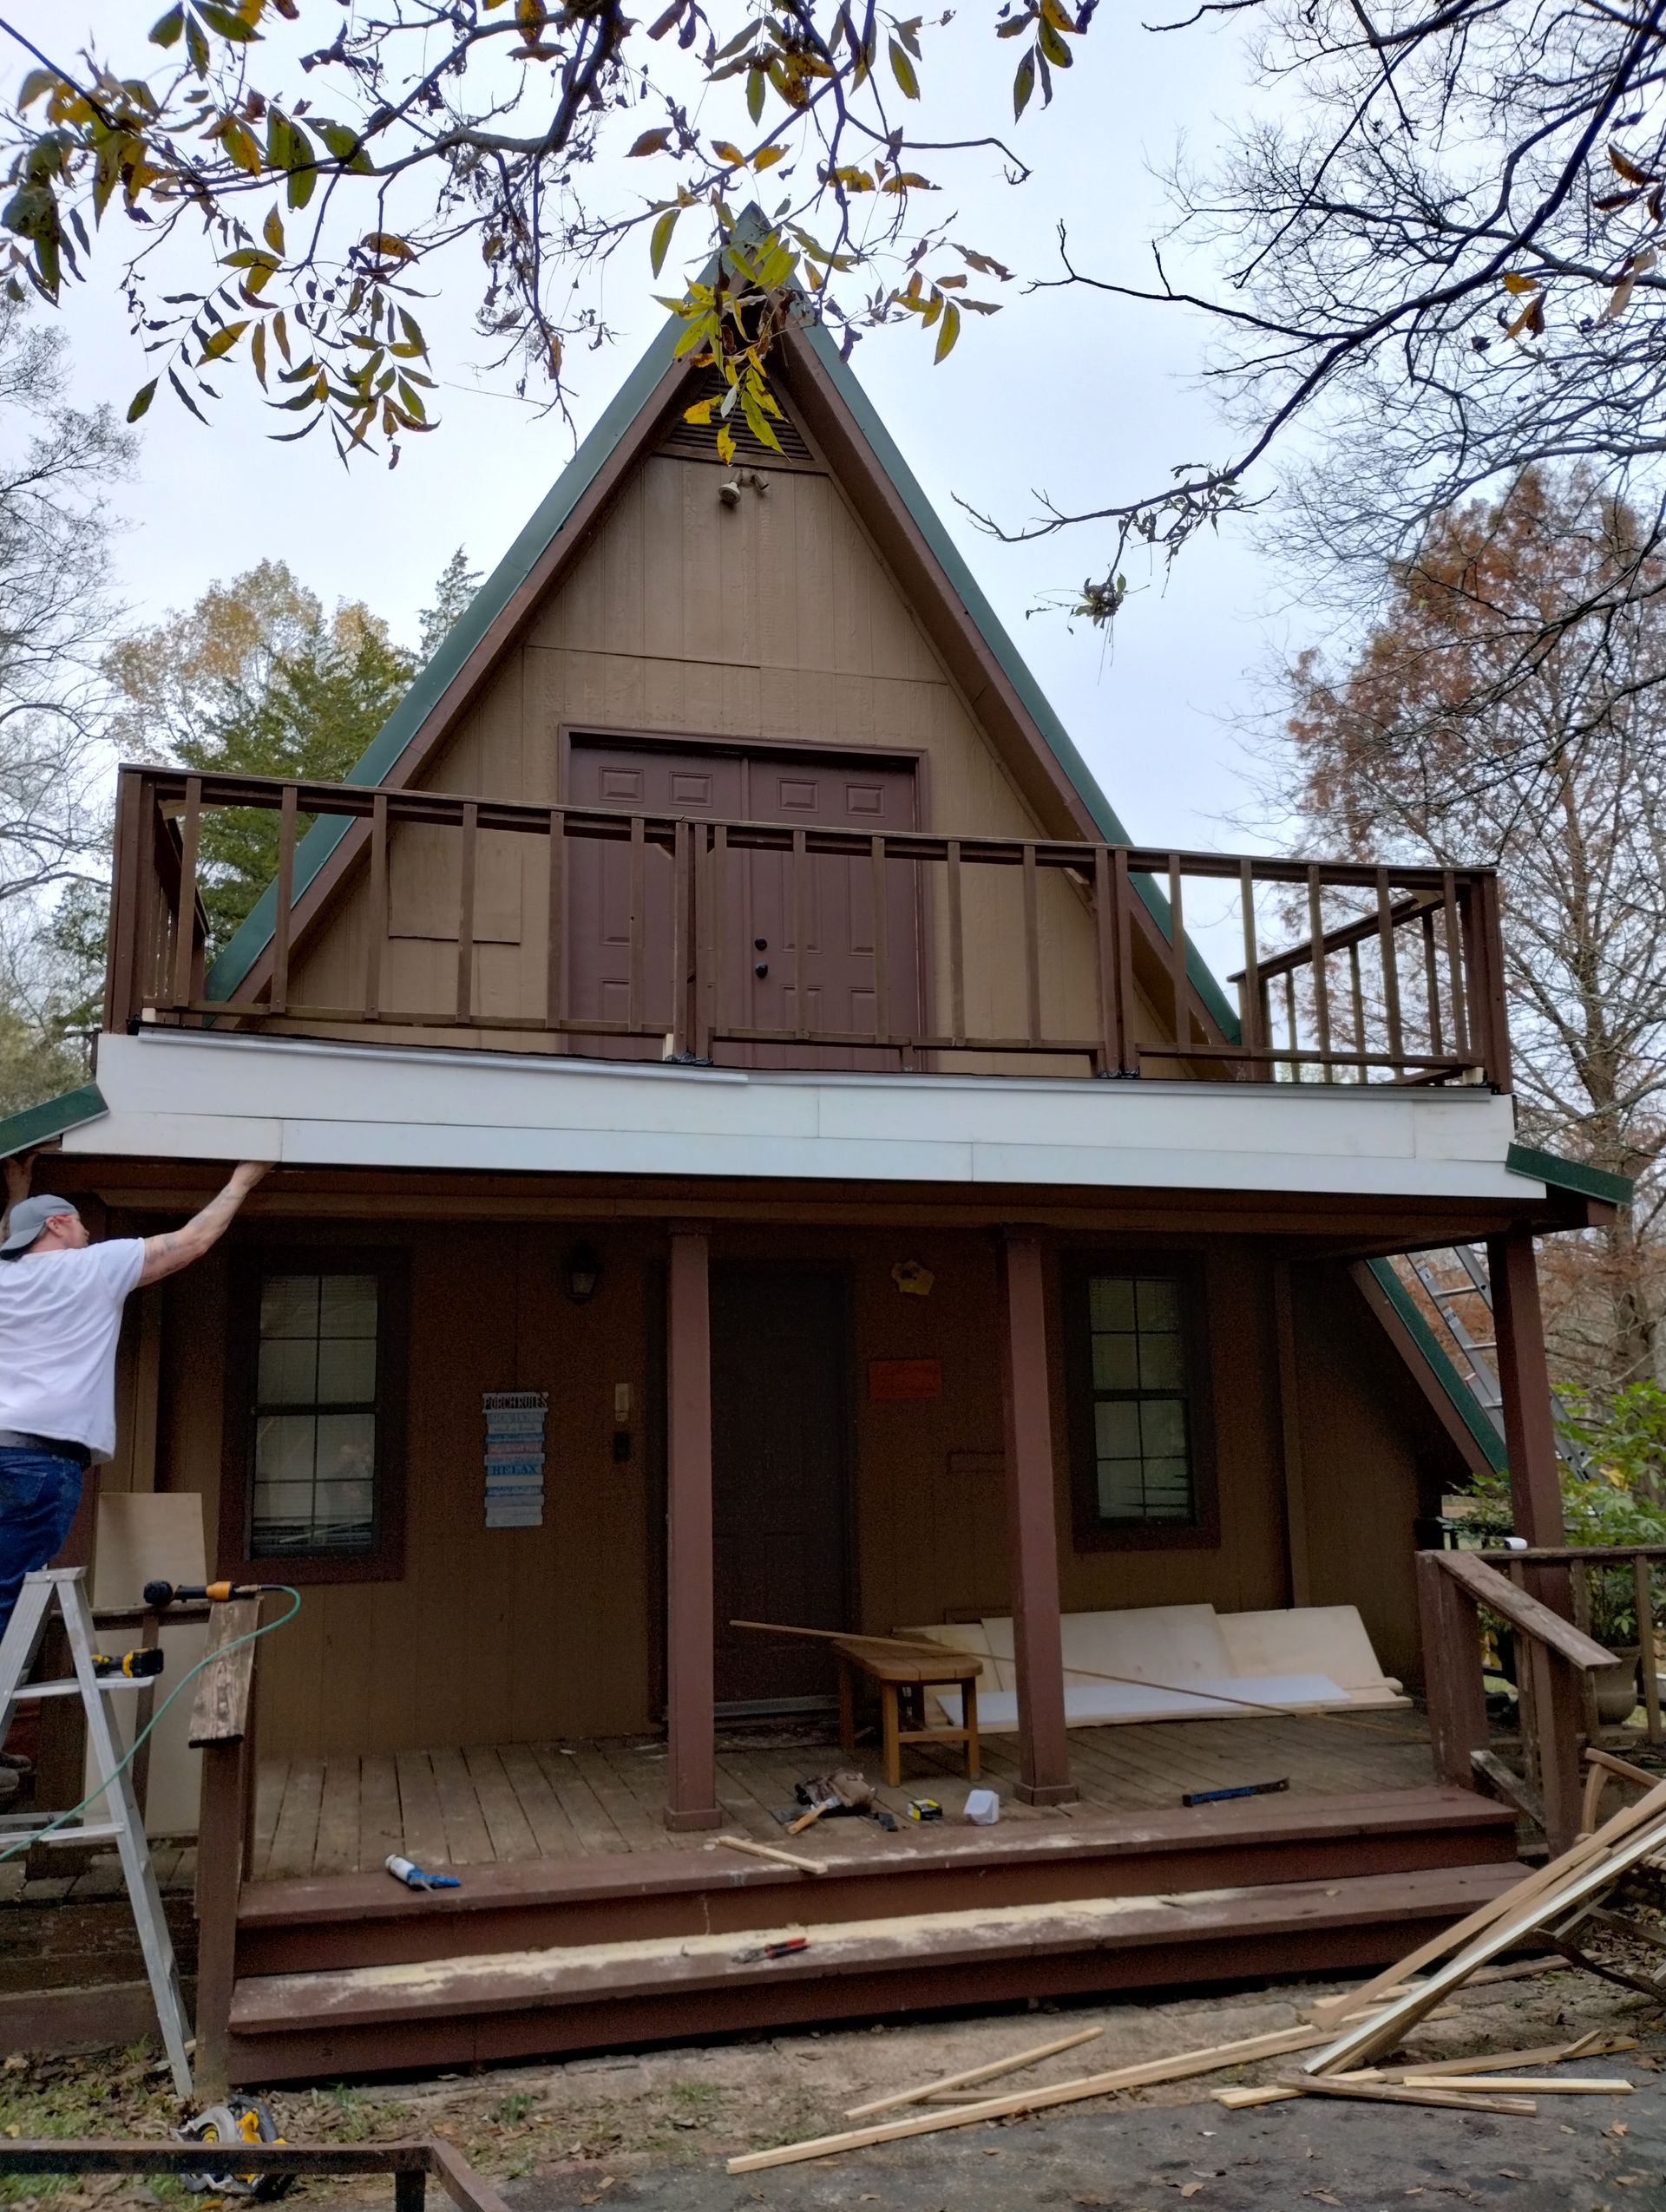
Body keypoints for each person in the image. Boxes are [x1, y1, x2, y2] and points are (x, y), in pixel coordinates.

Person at [0, 1157, 272, 1646]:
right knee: (8, 1599)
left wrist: (18, 1192)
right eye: (80, 1224)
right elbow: (190, 1242)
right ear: (58, 1223)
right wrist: (244, 1178)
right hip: (39, 1463)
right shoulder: (93, 1266)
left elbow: (11, 1245)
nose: (87, 1234)